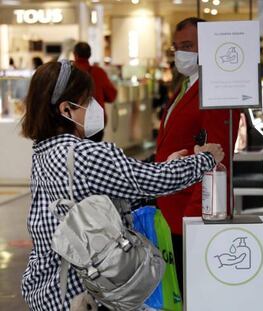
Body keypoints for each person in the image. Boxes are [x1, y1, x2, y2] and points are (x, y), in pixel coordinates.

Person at [20, 60, 224, 311]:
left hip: (47, 288)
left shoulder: (44, 152)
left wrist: (166, 166)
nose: (95, 107)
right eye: (87, 101)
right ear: (66, 109)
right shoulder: (84, 153)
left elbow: (103, 197)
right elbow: (152, 182)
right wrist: (205, 159)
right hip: (82, 293)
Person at [155, 17, 241, 292]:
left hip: (190, 213)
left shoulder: (216, 91)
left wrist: (197, 218)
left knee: (193, 290)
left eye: (189, 45)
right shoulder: (185, 87)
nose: (181, 53)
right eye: (177, 47)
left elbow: (217, 157)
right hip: (171, 209)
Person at [73, 42, 118, 141]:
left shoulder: (69, 71)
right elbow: (111, 96)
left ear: (75, 54)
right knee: (94, 154)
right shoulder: (99, 72)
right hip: (95, 123)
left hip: (72, 123)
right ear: (90, 55)